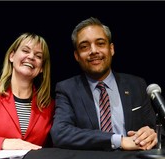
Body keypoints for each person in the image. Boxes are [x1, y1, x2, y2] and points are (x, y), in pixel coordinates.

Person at [50, 17, 158, 151]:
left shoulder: (136, 85)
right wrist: (118, 140)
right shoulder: (67, 89)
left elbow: (156, 130)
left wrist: (151, 135)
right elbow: (60, 133)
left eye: (100, 43)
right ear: (76, 56)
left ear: (111, 49)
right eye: (84, 47)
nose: (94, 51)